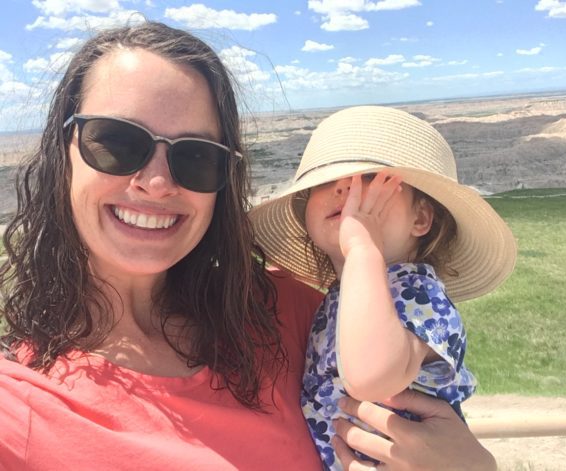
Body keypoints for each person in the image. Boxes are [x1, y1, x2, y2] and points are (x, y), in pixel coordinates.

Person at [0, 21, 497, 470]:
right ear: (62, 154)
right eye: (115, 141)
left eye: (196, 156)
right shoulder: (17, 407)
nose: (155, 182)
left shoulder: (291, 313)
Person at [249, 106, 517, 469]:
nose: (345, 187)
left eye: (370, 179)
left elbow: (372, 378)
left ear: (420, 218)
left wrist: (362, 248)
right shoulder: (338, 299)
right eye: (323, 183)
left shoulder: (415, 293)